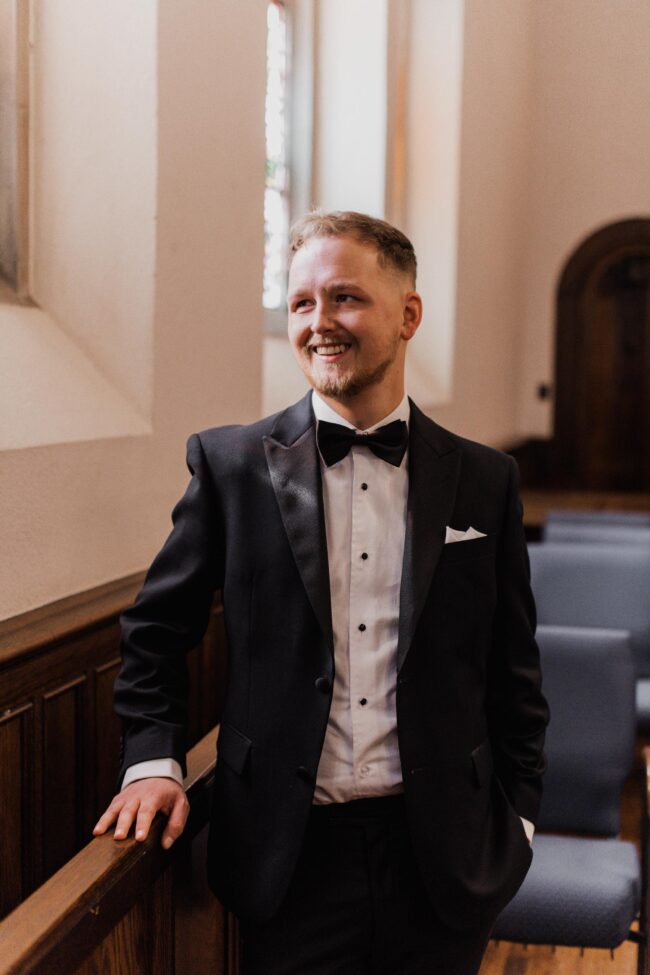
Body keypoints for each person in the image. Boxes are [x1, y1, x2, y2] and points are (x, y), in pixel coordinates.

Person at [94, 211, 549, 974]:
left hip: (444, 850)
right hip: (287, 849)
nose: (318, 322)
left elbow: (515, 671)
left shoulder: (485, 478)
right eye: (301, 302)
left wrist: (520, 821)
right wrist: (152, 762)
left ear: (409, 315)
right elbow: (153, 634)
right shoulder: (231, 466)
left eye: (344, 298)